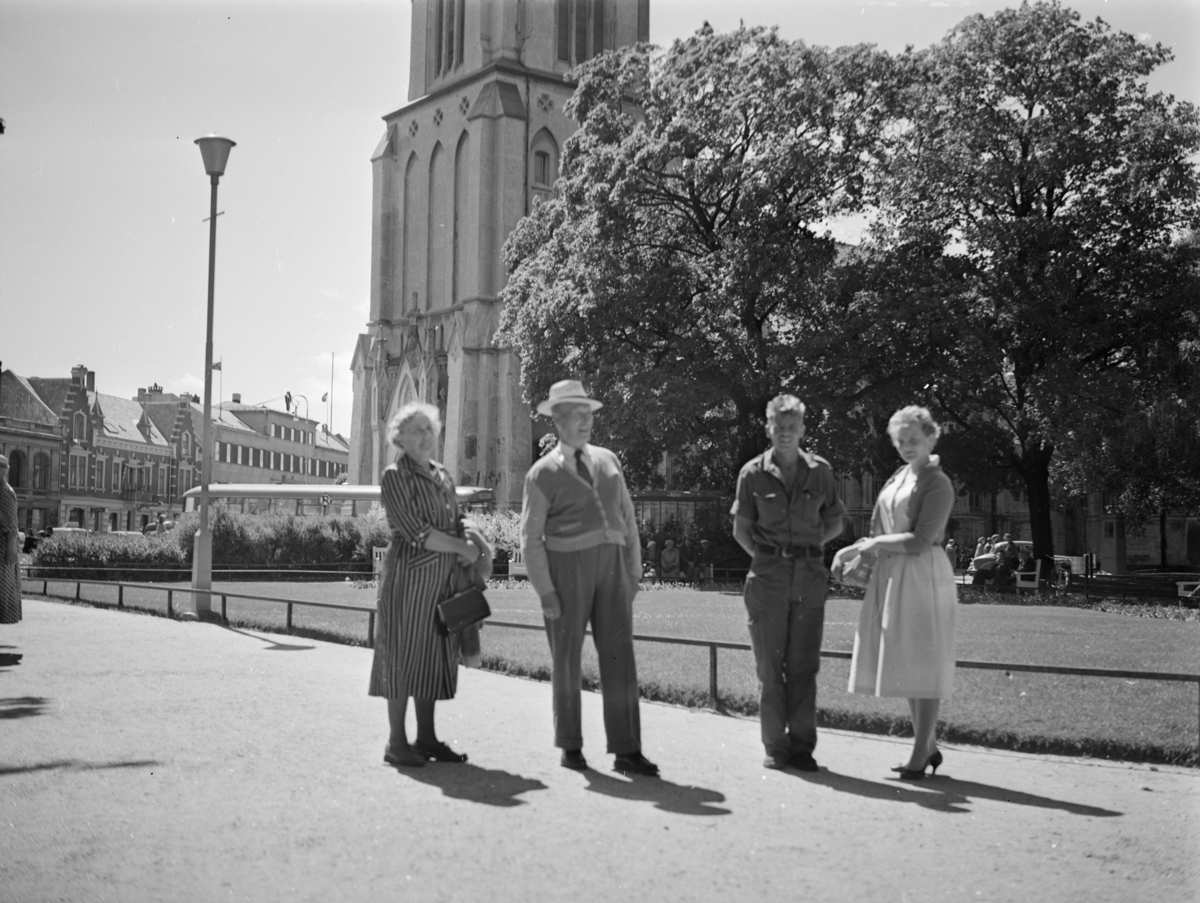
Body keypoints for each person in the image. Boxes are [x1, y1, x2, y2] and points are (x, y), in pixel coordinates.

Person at [520, 379, 658, 776]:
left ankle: (627, 748)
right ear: (557, 421)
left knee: (619, 656)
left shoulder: (609, 459)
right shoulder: (541, 474)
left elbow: (629, 518)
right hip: (565, 569)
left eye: (588, 415)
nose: (584, 422)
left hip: (613, 567)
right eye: (575, 416)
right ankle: (570, 745)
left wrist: (633, 571)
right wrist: (545, 590)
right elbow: (531, 539)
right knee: (566, 659)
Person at [834, 405, 956, 780]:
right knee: (907, 659)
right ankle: (927, 743)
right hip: (894, 575)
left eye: (914, 440)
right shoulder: (899, 477)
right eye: (901, 441)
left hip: (922, 575)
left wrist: (866, 546)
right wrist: (864, 547)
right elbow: (882, 529)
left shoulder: (937, 483)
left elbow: (920, 539)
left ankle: (921, 751)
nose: (906, 446)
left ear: (932, 437)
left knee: (923, 659)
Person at [731, 394, 845, 771]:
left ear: (802, 430)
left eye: (792, 428)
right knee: (770, 666)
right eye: (778, 428)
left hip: (809, 579)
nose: (785, 434)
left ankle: (802, 747)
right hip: (767, 580)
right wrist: (771, 558)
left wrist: (808, 548)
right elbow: (741, 531)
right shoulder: (752, 474)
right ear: (768, 428)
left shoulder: (821, 472)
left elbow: (836, 521)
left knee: (803, 666)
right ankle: (775, 747)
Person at [368, 402, 481, 768]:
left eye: (429, 429)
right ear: (398, 438)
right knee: (402, 656)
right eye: (416, 430)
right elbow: (416, 531)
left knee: (435, 657)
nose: (424, 436)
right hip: (409, 580)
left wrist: (472, 539)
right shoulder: (394, 476)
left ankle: (428, 739)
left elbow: (456, 518)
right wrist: (460, 547)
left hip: (443, 581)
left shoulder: (442, 474)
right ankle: (396, 743)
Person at [0, 456, 22, 625]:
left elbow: (12, 526)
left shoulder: (7, 492)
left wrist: (10, 549)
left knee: (3, 591)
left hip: (2, 547)